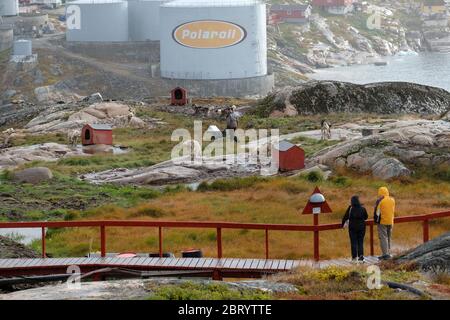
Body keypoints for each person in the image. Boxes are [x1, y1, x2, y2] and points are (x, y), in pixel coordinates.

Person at [342, 196, 368, 262]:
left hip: (352, 228)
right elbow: (366, 217)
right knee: (360, 242)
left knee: (353, 242)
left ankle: (354, 258)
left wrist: (342, 225)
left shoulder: (350, 208)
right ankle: (361, 257)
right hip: (362, 227)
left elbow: (345, 217)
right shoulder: (362, 208)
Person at [374, 187, 395, 260]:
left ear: (380, 193)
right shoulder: (392, 200)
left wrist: (376, 221)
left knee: (383, 237)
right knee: (389, 237)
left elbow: (377, 213)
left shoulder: (380, 201)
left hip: (382, 222)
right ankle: (389, 253)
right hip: (391, 221)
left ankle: (385, 254)